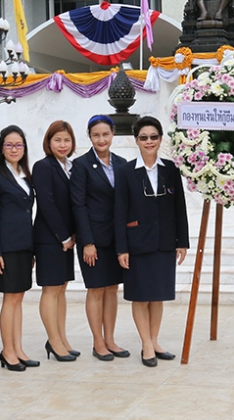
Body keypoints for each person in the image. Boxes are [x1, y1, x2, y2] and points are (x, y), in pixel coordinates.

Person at [115, 116, 189, 367]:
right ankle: (145, 344)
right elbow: (119, 211)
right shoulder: (125, 172)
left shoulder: (170, 169)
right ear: (136, 140)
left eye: (154, 137)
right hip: (138, 243)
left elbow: (180, 207)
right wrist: (122, 248)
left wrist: (183, 241)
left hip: (165, 242)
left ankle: (155, 341)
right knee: (140, 296)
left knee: (158, 295)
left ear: (160, 139)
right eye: (144, 138)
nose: (149, 142)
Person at [71, 115, 129, 361]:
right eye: (96, 135)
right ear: (90, 137)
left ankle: (110, 339)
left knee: (112, 289)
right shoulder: (81, 165)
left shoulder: (123, 163)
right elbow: (78, 205)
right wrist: (87, 242)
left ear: (113, 134)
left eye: (105, 134)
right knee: (96, 289)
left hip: (117, 239)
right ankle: (98, 342)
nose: (101, 139)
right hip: (93, 240)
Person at [0, 125, 38, 372]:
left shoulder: (25, 174)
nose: (14, 149)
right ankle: (7, 351)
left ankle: (17, 348)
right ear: (1, 148)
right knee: (10, 299)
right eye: (9, 145)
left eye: (18, 145)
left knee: (19, 298)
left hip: (24, 246)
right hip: (6, 249)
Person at [33, 121, 78, 362]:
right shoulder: (43, 167)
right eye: (58, 140)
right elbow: (47, 204)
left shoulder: (70, 166)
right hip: (50, 238)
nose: (63, 144)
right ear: (49, 142)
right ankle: (53, 340)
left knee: (62, 289)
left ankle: (62, 338)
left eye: (67, 140)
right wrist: (63, 236)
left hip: (67, 239)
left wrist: (73, 236)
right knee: (51, 290)